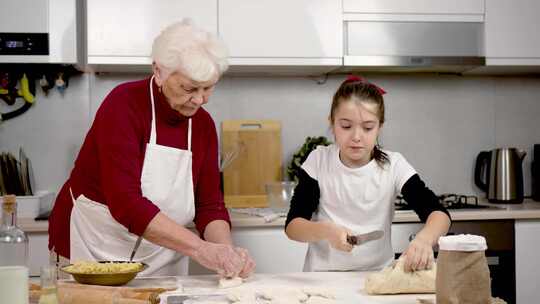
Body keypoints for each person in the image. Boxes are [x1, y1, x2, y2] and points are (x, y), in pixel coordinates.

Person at [48, 20, 255, 278]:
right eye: (189, 88)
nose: (200, 99)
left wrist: (226, 253)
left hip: (161, 252)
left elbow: (209, 205)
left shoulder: (203, 125)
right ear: (159, 71)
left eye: (209, 87)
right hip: (93, 247)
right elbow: (126, 203)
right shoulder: (123, 106)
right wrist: (201, 250)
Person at [285, 75, 451, 273]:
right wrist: (326, 231)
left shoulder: (394, 165)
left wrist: (424, 240)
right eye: (346, 126)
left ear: (380, 127)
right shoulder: (318, 161)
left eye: (367, 127)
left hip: (378, 279)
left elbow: (440, 214)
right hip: (322, 279)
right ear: (332, 123)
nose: (356, 137)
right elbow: (293, 226)